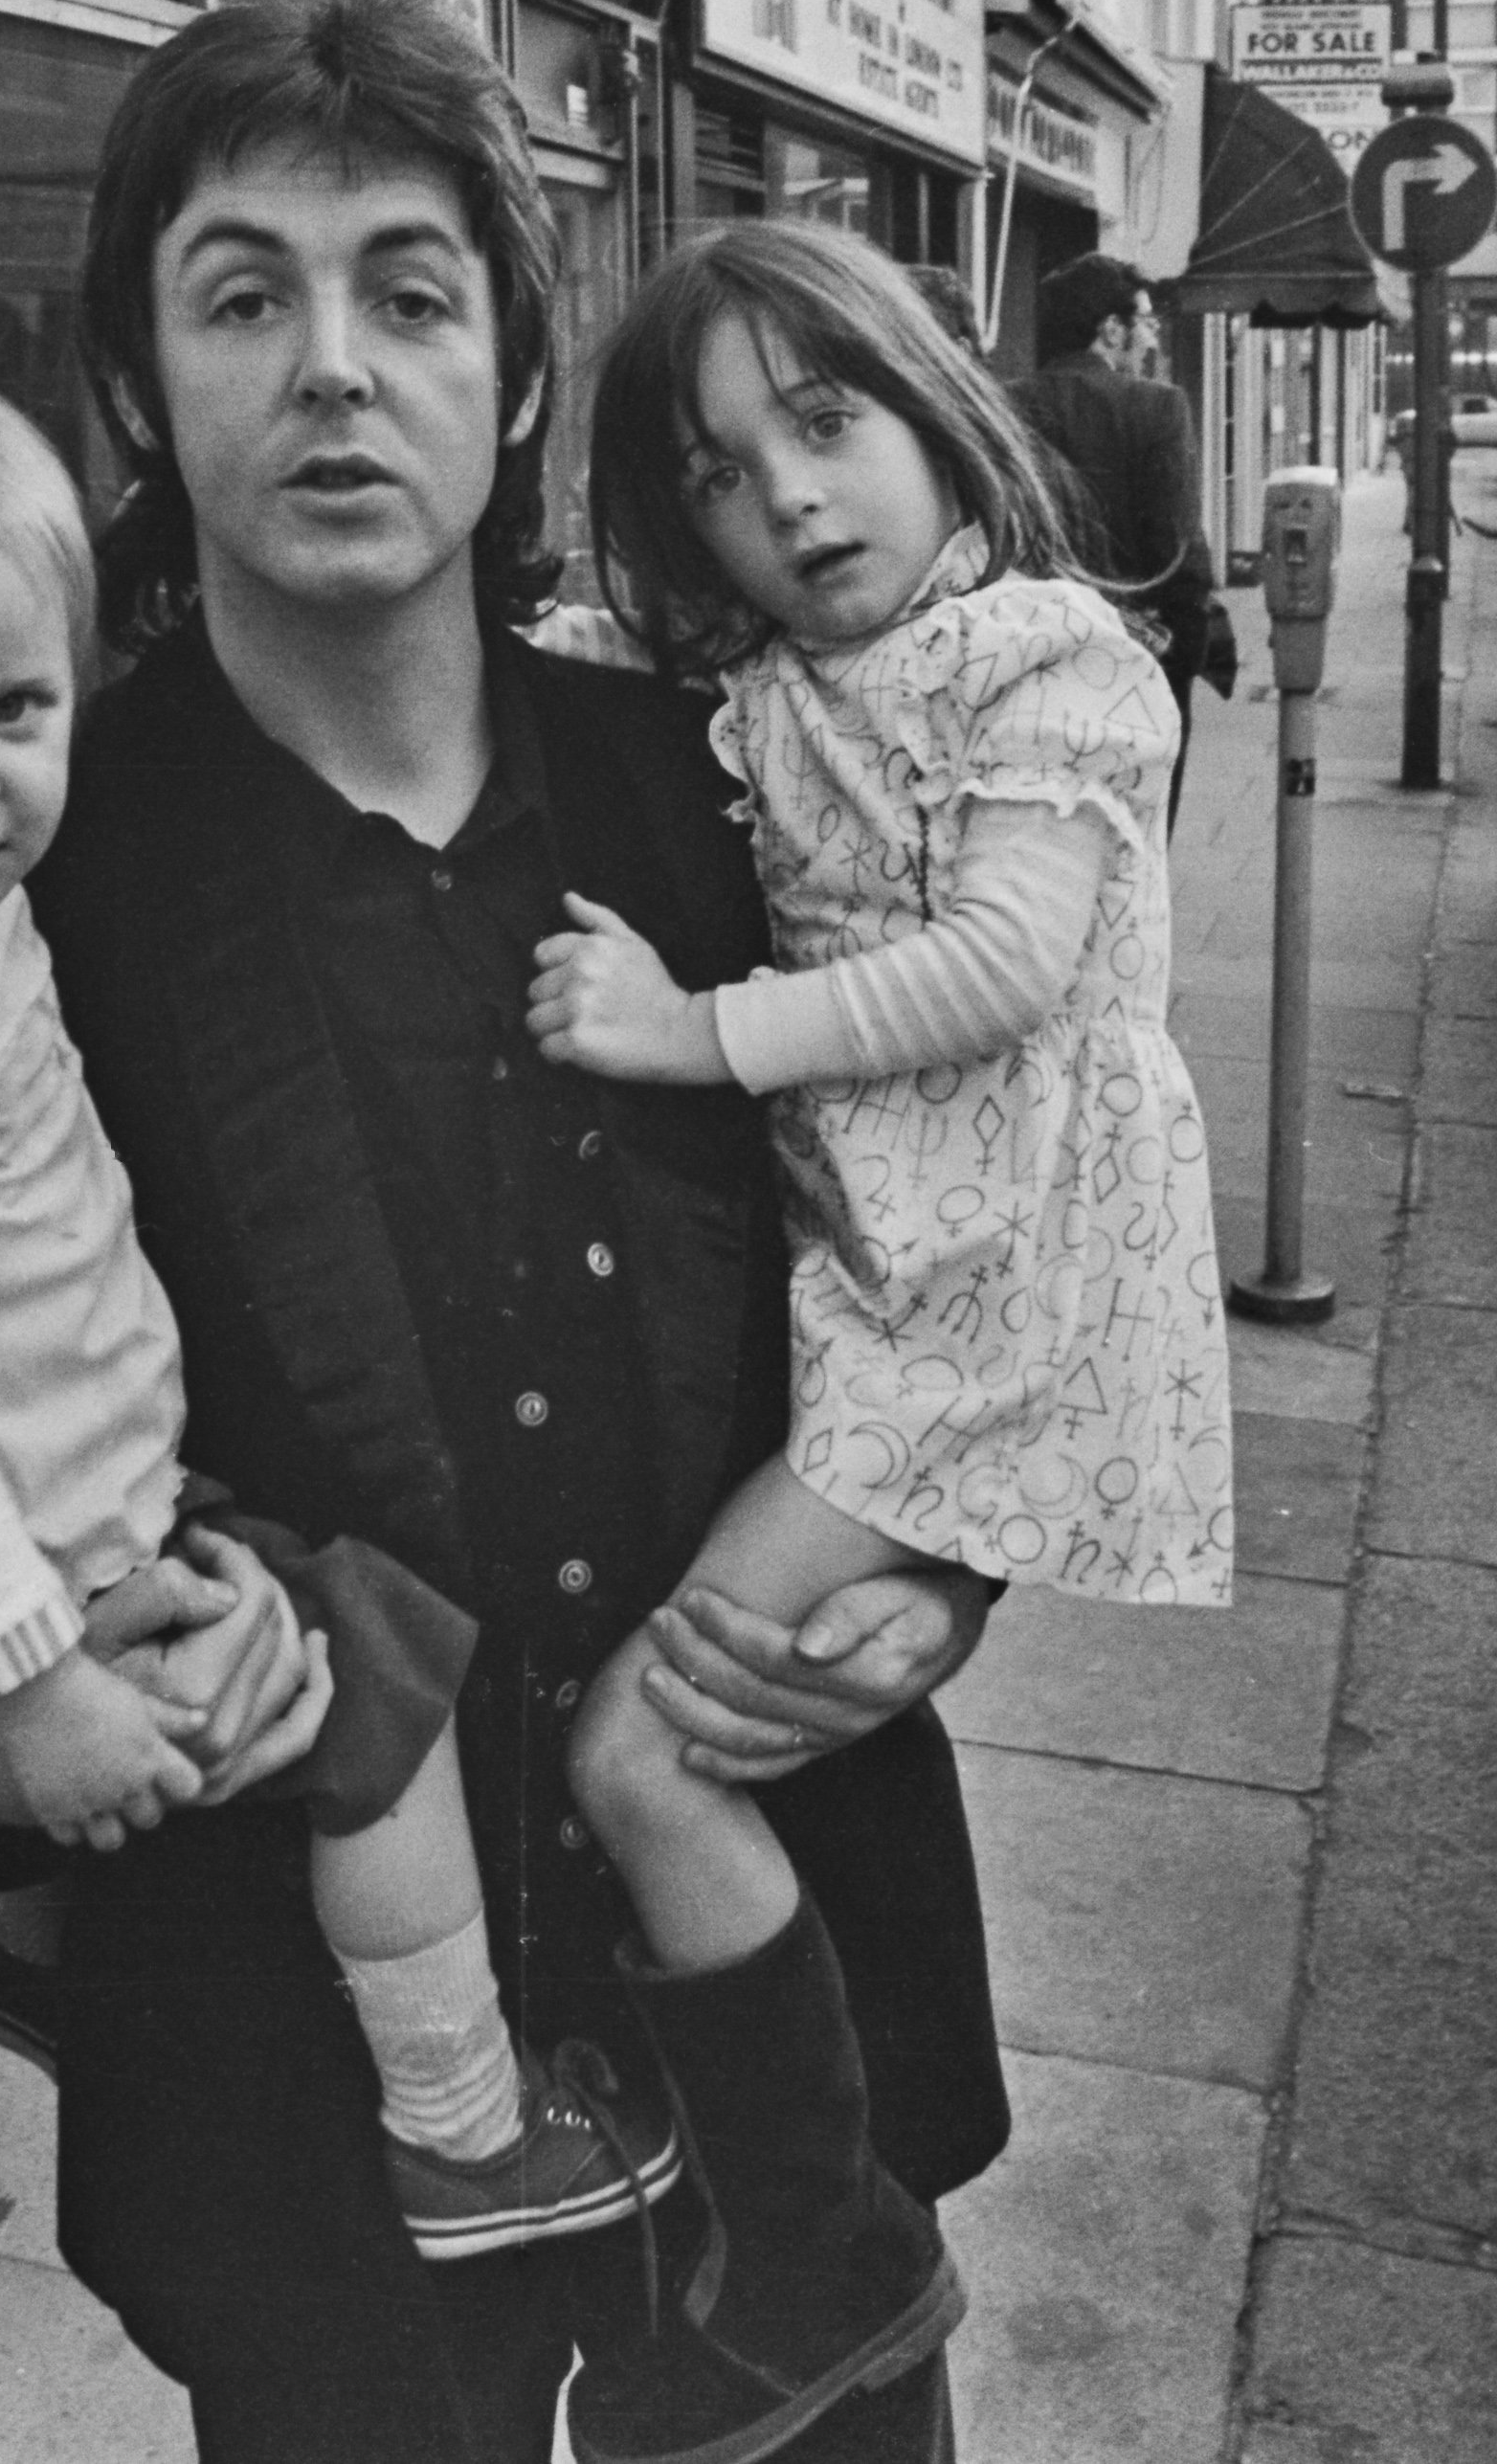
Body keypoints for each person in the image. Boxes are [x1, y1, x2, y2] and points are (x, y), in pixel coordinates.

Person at [0, 0, 1009, 2464]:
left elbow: (1003, 1229)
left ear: (515, 375)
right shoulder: (4, 886)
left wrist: (942, 1564)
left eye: (409, 294)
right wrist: (9, 1745)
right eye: (246, 295)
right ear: (136, 378)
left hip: (775, 2042)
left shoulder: (735, 802)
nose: (333, 368)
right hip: (301, 2124)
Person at [0, 352, 676, 2263]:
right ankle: (464, 2123)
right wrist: (30, 1685)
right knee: (371, 1681)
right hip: (12, 1547)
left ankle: (35, 1946)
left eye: (20, 708)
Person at [527, 224, 1232, 2440]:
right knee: (680, 1733)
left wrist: (684, 1030)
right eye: (725, 470)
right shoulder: (771, 679)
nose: (793, 499)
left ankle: (822, 2239)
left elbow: (1004, 960)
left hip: (981, 1303)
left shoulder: (1041, 663)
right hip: (890, 1289)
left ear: (941, 415)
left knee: (643, 1744)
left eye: (829, 424)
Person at [1001, 257, 1231, 818]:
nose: (1152, 337)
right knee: (1141, 823)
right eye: (1146, 322)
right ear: (1110, 329)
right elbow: (1178, 549)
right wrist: (1188, 647)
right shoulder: (1156, 406)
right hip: (1138, 653)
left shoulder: (1002, 407)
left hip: (1030, 650)